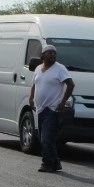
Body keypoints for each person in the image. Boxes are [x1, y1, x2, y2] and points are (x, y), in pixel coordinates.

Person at [28, 44, 74, 173]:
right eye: (49, 53)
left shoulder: (60, 69)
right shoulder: (38, 69)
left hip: (53, 109)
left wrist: (63, 101)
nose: (53, 55)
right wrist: (31, 97)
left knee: (46, 138)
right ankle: (55, 162)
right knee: (46, 138)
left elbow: (70, 84)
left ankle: (47, 163)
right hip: (40, 109)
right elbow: (34, 85)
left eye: (54, 53)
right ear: (42, 55)